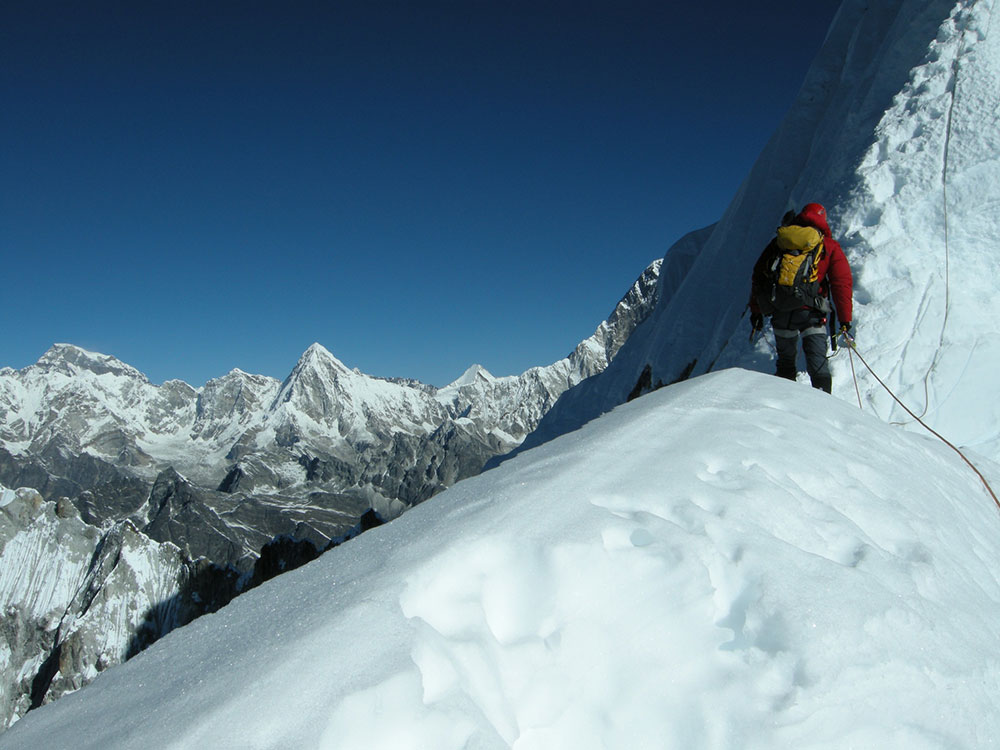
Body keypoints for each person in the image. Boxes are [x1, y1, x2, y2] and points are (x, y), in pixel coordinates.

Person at [748, 203, 853, 393]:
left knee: (786, 365)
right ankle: (822, 410)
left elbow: (758, 276)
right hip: (811, 313)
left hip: (781, 312)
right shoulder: (828, 246)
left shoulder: (780, 242)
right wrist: (845, 320)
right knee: (817, 365)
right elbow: (841, 284)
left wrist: (756, 311)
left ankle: (784, 409)